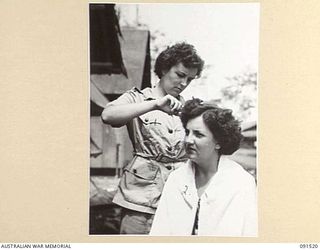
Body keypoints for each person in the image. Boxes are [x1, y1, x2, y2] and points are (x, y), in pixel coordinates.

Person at [101, 42, 204, 234]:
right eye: (180, 75)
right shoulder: (138, 98)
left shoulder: (191, 108)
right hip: (140, 198)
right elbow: (108, 116)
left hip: (180, 196)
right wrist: (155, 104)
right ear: (164, 68)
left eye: (189, 79)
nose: (183, 84)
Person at [150, 98, 257, 236]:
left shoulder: (241, 182)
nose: (188, 140)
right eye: (187, 132)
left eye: (198, 134)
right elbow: (160, 232)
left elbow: (249, 234)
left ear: (218, 142)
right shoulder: (176, 179)